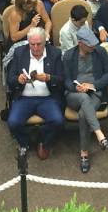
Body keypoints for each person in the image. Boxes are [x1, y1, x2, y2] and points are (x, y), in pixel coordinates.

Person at [60, 27, 108, 173]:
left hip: (94, 92)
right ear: (81, 43)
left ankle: (84, 153)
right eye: (90, 45)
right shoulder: (69, 56)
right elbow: (66, 80)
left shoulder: (100, 52)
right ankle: (99, 133)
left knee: (84, 114)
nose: (93, 47)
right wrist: (76, 87)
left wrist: (93, 85)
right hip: (74, 94)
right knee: (83, 97)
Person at [6, 27, 64, 160]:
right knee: (13, 122)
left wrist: (49, 78)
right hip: (24, 98)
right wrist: (18, 79)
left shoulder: (54, 54)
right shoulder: (19, 53)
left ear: (45, 42)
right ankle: (25, 143)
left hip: (47, 99)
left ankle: (42, 140)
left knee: (58, 121)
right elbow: (10, 79)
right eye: (32, 44)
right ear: (28, 42)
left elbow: (62, 79)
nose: (36, 48)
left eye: (39, 44)